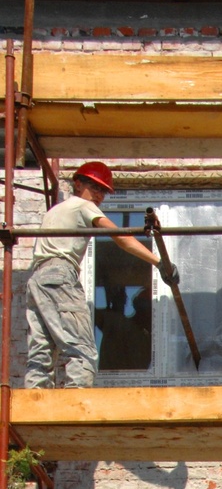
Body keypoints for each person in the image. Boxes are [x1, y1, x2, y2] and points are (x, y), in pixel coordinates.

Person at [26, 162, 170, 389]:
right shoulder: (82, 205)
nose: (99, 195)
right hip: (60, 274)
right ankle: (76, 406)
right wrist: (160, 262)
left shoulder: (55, 211)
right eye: (95, 187)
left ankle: (35, 399)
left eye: (103, 190)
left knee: (41, 349)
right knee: (82, 349)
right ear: (78, 184)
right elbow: (120, 237)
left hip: (37, 279)